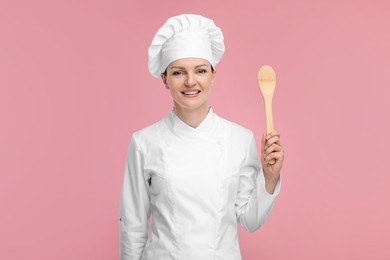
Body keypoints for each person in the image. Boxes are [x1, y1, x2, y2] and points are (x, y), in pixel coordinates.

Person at [119, 14, 284, 260]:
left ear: (213, 75)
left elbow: (250, 220)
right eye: (178, 72)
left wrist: (270, 178)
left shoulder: (239, 139)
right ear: (164, 79)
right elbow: (132, 227)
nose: (190, 81)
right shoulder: (144, 142)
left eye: (200, 70)